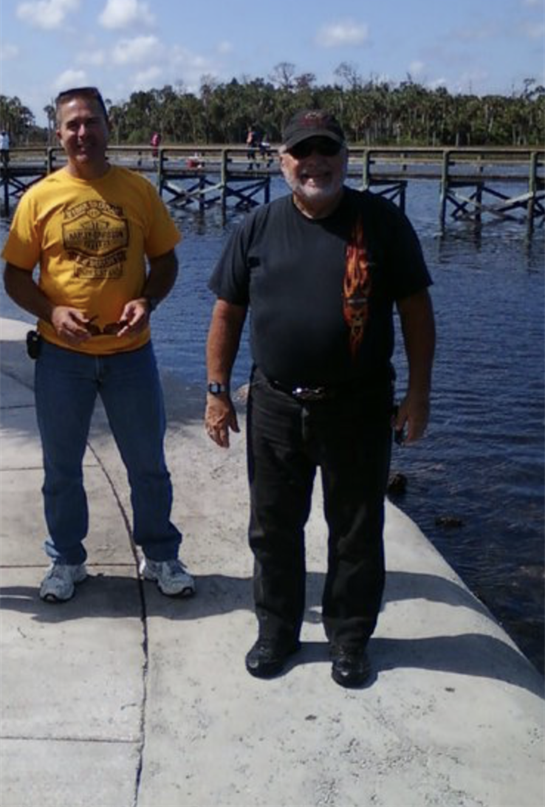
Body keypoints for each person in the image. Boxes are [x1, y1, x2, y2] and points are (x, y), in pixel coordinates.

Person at [205, 109, 435, 687]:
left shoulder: (382, 223)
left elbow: (416, 313)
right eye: (302, 151)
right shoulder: (257, 227)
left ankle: (350, 638)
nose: (315, 162)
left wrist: (419, 394)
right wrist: (216, 392)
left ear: (345, 158)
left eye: (326, 150)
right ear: (283, 161)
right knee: (274, 526)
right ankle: (277, 630)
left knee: (356, 527)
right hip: (276, 404)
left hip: (358, 405)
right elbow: (227, 312)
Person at [2, 86, 195, 603]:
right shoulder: (39, 198)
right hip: (62, 358)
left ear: (109, 127)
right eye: (72, 125)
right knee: (61, 467)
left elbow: (167, 262)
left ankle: (160, 556)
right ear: (58, 133)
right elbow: (16, 275)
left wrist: (147, 302)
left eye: (91, 122)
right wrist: (52, 311)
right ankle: (66, 560)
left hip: (131, 355)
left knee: (148, 463)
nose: (82, 133)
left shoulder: (137, 191)